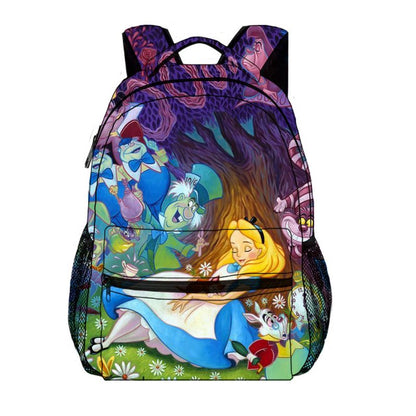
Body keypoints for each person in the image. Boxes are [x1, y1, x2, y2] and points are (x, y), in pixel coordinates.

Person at [88, 217, 286, 369]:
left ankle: (108, 341)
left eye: (246, 248)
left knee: (158, 314)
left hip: (211, 309)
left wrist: (193, 295)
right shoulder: (233, 266)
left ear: (261, 250)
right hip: (201, 297)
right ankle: (108, 341)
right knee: (149, 305)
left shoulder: (250, 277)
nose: (238, 254)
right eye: (235, 248)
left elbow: (223, 298)